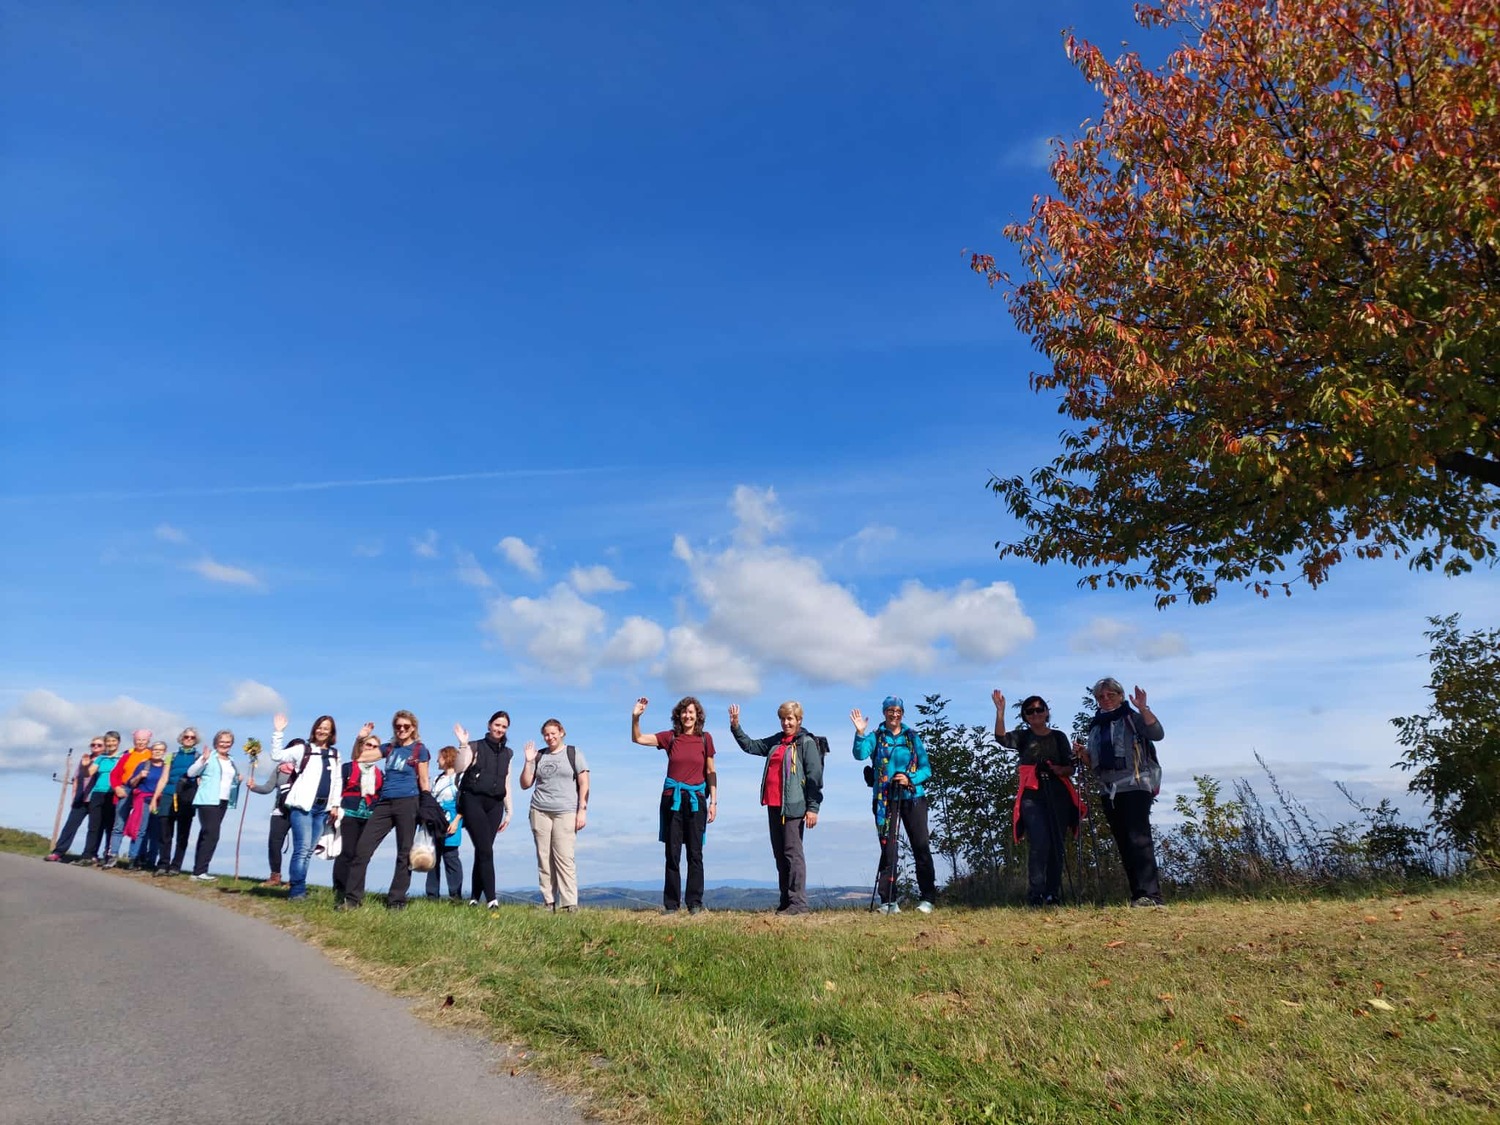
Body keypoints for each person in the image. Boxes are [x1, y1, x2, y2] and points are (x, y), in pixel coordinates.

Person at [1073, 677, 1166, 908]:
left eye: (1110, 695)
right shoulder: (1096, 726)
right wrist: (1083, 754)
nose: (1105, 699)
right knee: (1124, 841)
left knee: (1139, 839)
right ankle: (1139, 895)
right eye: (1101, 696)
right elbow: (1095, 764)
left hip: (1135, 785)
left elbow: (1157, 733)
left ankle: (1152, 895)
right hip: (1109, 791)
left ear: (1120, 696)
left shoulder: (1133, 718)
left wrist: (1143, 708)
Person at [729, 701, 823, 916]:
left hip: (794, 807)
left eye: (790, 718)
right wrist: (735, 727)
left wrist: (813, 808)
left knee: (793, 853)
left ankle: (799, 904)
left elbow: (815, 777)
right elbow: (751, 746)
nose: (786, 723)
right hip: (773, 805)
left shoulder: (806, 743)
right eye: (783, 719)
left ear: (799, 720)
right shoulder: (777, 740)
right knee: (780, 854)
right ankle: (786, 901)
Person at [994, 691, 1085, 907]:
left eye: (1039, 709)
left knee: (1056, 843)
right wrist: (1000, 712)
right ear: (1025, 716)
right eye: (1030, 711)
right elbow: (1001, 738)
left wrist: (1058, 769)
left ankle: (1052, 893)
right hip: (1032, 794)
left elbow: (1070, 767)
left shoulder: (1059, 737)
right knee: (1039, 842)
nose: (1035, 714)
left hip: (1058, 792)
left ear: (1046, 712)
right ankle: (1036, 893)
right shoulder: (1023, 737)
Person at [631, 697, 717, 915]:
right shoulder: (670, 737)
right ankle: (671, 905)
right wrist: (636, 717)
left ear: (698, 716)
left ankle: (695, 903)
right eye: (684, 712)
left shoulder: (705, 739)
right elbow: (638, 738)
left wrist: (714, 802)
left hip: (696, 799)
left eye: (691, 712)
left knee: (695, 853)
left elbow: (711, 771)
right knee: (672, 852)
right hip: (672, 799)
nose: (687, 716)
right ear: (678, 715)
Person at [851, 696, 937, 914]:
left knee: (920, 846)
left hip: (913, 797)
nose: (895, 714)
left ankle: (927, 898)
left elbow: (926, 769)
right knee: (888, 849)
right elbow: (859, 754)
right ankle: (889, 901)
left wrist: (910, 778)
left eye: (898, 711)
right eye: (890, 710)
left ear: (902, 713)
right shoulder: (876, 736)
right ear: (884, 712)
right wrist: (860, 733)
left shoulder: (912, 737)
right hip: (885, 799)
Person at [340, 711, 431, 911]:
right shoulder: (389, 748)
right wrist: (360, 738)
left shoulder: (419, 750)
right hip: (385, 803)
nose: (401, 730)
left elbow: (424, 780)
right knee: (362, 849)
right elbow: (358, 758)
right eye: (398, 726)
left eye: (406, 726)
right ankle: (352, 900)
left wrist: (426, 804)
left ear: (413, 728)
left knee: (404, 853)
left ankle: (396, 901)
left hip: (409, 802)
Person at [519, 720, 589, 913]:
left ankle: (569, 903)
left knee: (565, 856)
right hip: (539, 810)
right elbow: (525, 784)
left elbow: (584, 783)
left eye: (553, 733)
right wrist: (528, 761)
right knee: (544, 857)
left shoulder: (574, 753)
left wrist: (582, 810)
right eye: (546, 735)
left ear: (561, 732)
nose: (549, 737)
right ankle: (548, 902)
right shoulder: (539, 755)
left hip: (566, 811)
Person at [272, 714, 340, 901]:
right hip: (303, 807)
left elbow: (337, 781)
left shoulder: (335, 754)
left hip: (322, 809)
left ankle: (299, 887)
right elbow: (277, 756)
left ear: (331, 732)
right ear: (314, 729)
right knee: (302, 849)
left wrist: (335, 804)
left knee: (309, 851)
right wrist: (278, 732)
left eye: (326, 728)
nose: (322, 731)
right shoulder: (304, 749)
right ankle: (297, 891)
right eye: (319, 727)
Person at [453, 712, 514, 909]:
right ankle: (492, 900)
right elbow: (459, 767)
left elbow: (506, 782)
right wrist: (463, 745)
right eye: (497, 725)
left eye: (504, 726)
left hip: (495, 804)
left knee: (483, 850)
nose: (500, 729)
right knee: (486, 849)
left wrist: (509, 810)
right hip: (473, 800)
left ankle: (474, 898)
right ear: (489, 725)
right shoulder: (475, 746)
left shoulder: (508, 753)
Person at [332, 733, 384, 906]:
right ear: (361, 747)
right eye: (368, 745)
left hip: (368, 815)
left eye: (375, 747)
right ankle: (340, 887)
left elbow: (380, 794)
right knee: (347, 852)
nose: (371, 749)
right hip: (349, 813)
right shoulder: (348, 768)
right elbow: (337, 788)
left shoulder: (379, 774)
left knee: (361, 854)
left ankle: (353, 889)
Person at [187, 730, 244, 880]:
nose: (225, 744)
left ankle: (198, 871)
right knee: (212, 834)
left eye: (228, 742)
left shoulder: (231, 760)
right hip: (208, 799)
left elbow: (228, 780)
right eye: (222, 741)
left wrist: (238, 779)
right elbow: (191, 773)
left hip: (223, 800)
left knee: (206, 834)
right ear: (216, 743)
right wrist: (203, 760)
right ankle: (200, 871)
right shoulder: (209, 757)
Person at [152, 728, 201, 875]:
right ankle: (163, 863)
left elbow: (200, 779)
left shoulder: (198, 757)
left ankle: (176, 865)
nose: (189, 739)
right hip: (169, 794)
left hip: (187, 796)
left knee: (183, 834)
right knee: (165, 832)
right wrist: (155, 797)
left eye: (192, 737)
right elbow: (164, 778)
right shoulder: (171, 756)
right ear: (181, 738)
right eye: (186, 736)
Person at [105, 729, 153, 867]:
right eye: (138, 740)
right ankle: (113, 855)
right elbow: (115, 774)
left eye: (143, 740)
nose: (141, 742)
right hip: (125, 789)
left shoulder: (151, 755)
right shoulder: (127, 755)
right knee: (119, 824)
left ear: (148, 741)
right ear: (134, 741)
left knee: (139, 826)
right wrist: (116, 787)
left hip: (142, 791)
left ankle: (134, 857)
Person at [45, 740, 99, 861]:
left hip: (96, 798)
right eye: (93, 744)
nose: (95, 747)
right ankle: (58, 852)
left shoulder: (104, 760)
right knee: (70, 825)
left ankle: (89, 855)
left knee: (94, 828)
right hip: (81, 797)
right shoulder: (85, 759)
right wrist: (74, 796)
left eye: (99, 745)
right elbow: (76, 779)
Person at [426, 746, 465, 902]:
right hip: (436, 822)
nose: (437, 760)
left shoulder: (459, 779)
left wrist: (457, 821)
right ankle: (432, 896)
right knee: (433, 859)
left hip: (452, 821)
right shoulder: (436, 779)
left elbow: (464, 803)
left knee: (451, 858)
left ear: (448, 758)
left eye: (440, 757)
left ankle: (455, 895)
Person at [123, 742, 169, 870]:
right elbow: (131, 783)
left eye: (160, 750)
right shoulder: (144, 765)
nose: (157, 752)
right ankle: (134, 858)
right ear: (151, 751)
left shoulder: (166, 767)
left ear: (164, 752)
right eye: (155, 749)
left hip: (159, 801)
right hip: (143, 800)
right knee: (140, 830)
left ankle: (151, 860)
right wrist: (139, 776)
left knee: (155, 832)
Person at [81, 731, 123, 865]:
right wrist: (85, 766)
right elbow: (88, 773)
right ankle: (89, 855)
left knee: (110, 826)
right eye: (108, 741)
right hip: (98, 793)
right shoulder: (101, 758)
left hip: (113, 793)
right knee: (94, 826)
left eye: (113, 741)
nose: (111, 744)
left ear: (118, 742)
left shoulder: (122, 757)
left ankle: (108, 855)